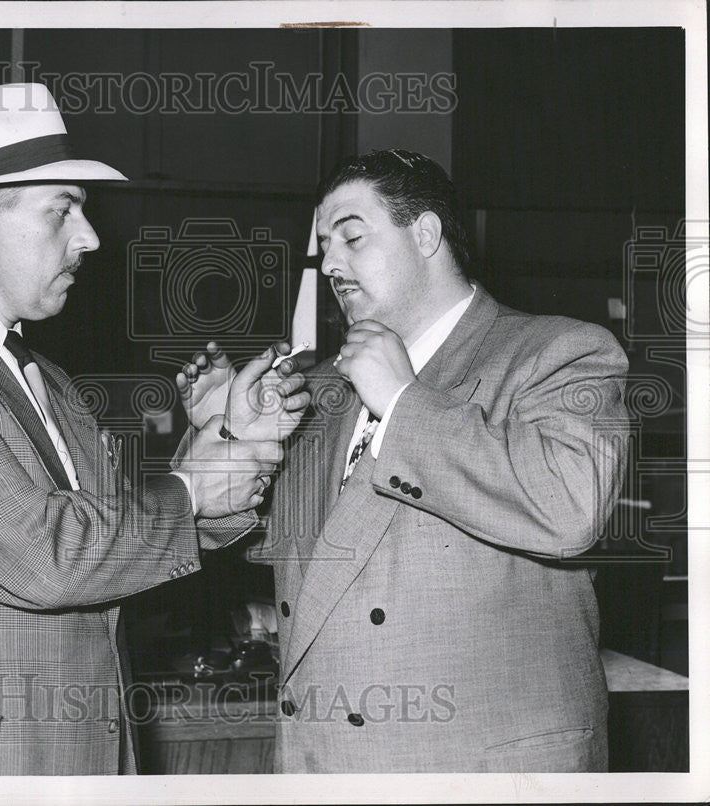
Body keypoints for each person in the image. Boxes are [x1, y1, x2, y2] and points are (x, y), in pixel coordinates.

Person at [0, 83, 308, 775]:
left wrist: (232, 439)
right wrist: (193, 486)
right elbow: (44, 556)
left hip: (78, 760)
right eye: (63, 210)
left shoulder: (50, 380)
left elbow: (120, 544)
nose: (92, 237)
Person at [178, 149, 629, 772]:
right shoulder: (326, 390)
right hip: (326, 763)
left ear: (426, 234)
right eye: (325, 245)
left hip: (478, 770)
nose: (331, 263)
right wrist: (228, 435)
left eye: (352, 237)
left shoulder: (556, 351)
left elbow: (570, 508)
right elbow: (230, 537)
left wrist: (402, 401)